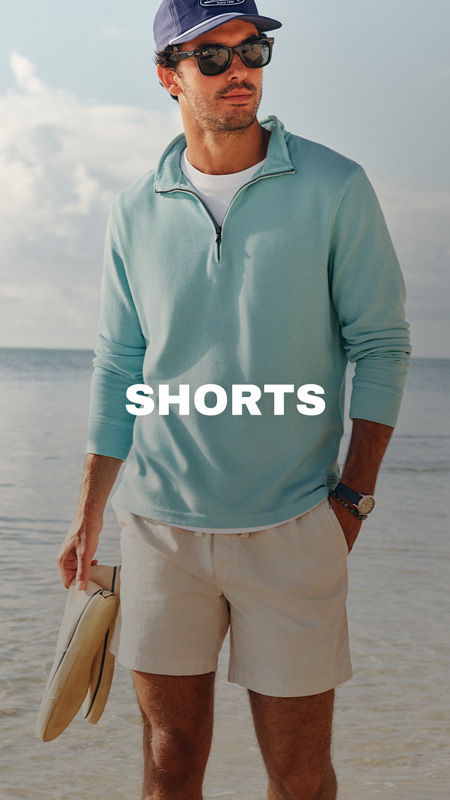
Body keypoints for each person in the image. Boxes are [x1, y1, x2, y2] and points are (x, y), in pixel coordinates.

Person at [56, 1, 411, 798]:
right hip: (159, 530)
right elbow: (119, 364)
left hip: (294, 523)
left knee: (300, 777)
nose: (238, 71)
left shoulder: (335, 186)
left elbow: (382, 345)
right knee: (169, 761)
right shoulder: (135, 208)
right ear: (167, 76)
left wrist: (353, 499)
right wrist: (88, 514)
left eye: (251, 50)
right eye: (211, 58)